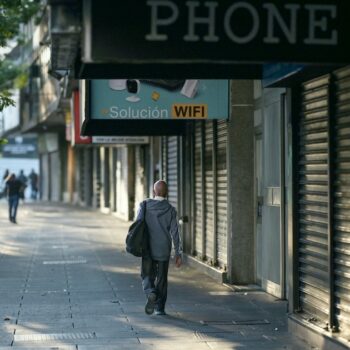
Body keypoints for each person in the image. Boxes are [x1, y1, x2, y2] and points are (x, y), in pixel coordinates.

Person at [136, 180, 182, 316]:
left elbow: (138, 224)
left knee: (146, 275)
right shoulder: (171, 210)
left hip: (148, 247)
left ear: (154, 191)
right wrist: (178, 252)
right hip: (164, 248)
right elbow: (175, 232)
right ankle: (160, 308)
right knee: (162, 279)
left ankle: (151, 292)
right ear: (166, 193)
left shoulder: (145, 205)